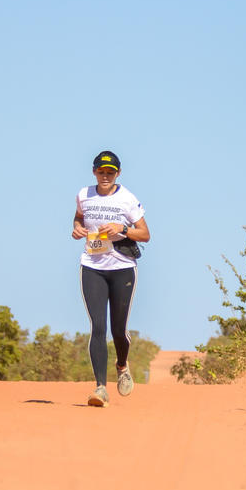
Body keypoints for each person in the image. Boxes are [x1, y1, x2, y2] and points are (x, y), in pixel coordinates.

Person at [72, 150, 150, 407]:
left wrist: (122, 228)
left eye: (110, 172)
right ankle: (100, 388)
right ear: (94, 171)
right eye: (101, 171)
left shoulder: (127, 198)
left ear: (118, 174)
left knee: (118, 330)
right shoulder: (84, 195)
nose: (105, 176)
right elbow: (79, 217)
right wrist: (77, 228)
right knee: (98, 327)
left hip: (122, 268)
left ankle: (122, 365)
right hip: (92, 265)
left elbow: (145, 234)